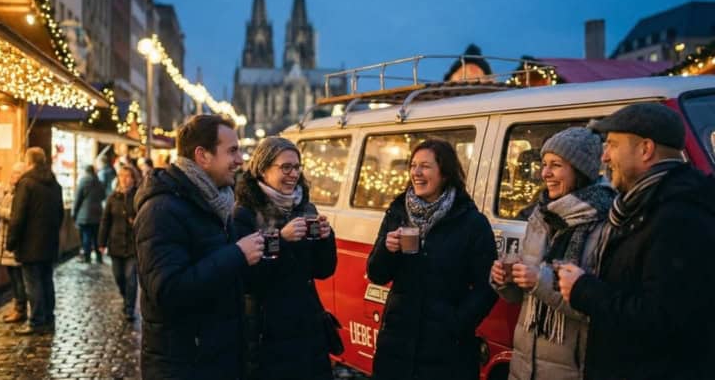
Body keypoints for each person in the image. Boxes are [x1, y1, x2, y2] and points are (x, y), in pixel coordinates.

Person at [558, 103, 715, 379]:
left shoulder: (678, 217)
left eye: (612, 145)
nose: (605, 156)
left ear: (645, 149)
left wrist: (584, 290)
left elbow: (661, 318)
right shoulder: (644, 206)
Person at [134, 114, 264, 379]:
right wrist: (238, 255)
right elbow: (169, 291)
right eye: (232, 151)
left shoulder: (217, 202)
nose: (240, 160)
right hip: (185, 364)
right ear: (203, 156)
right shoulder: (162, 210)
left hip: (216, 357)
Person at [367, 138, 498, 380]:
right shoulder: (398, 212)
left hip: (446, 351)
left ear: (445, 173)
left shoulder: (471, 222)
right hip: (397, 342)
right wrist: (387, 248)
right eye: (413, 165)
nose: (416, 173)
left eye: (425, 166)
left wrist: (456, 323)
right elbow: (376, 274)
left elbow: (488, 284)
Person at [490, 127, 615, 380]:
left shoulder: (605, 222)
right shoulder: (541, 216)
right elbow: (521, 298)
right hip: (524, 365)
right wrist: (505, 280)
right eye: (544, 164)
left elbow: (600, 304)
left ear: (580, 171)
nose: (545, 173)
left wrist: (539, 281)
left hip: (572, 368)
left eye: (556, 165)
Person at [233, 137, 337, 380]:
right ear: (263, 169)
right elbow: (248, 280)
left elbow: (323, 270)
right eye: (286, 167)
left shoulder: (305, 208)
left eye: (297, 167)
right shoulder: (244, 214)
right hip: (268, 331)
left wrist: (326, 237)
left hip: (308, 325)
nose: (293, 174)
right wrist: (281, 240)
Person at [7, 147, 64, 335]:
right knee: (46, 280)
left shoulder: (26, 184)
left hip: (29, 243)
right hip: (49, 242)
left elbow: (18, 216)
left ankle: (37, 321)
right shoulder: (54, 184)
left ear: (29, 161)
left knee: (33, 283)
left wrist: (11, 241)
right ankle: (48, 317)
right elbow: (60, 214)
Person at [98, 164, 140, 321]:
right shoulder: (112, 198)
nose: (124, 179)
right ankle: (125, 297)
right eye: (122, 176)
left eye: (128, 176)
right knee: (119, 277)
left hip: (132, 245)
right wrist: (101, 242)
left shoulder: (138, 197)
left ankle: (129, 308)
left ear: (134, 179)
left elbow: (145, 219)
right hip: (115, 243)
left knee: (130, 277)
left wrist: (135, 221)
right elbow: (105, 221)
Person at [0, 162, 29, 324]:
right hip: (7, 239)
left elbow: (15, 215)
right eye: (13, 172)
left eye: (17, 173)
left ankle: (20, 309)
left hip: (14, 240)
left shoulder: (21, 192)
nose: (13, 176)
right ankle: (17, 306)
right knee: (13, 277)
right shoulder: (12, 191)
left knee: (17, 277)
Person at [73, 165, 106, 263]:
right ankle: (99, 257)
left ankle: (87, 257)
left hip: (85, 214)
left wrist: (74, 213)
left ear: (86, 171)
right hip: (97, 213)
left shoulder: (83, 181)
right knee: (96, 236)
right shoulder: (99, 182)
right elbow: (103, 196)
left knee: (86, 236)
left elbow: (78, 198)